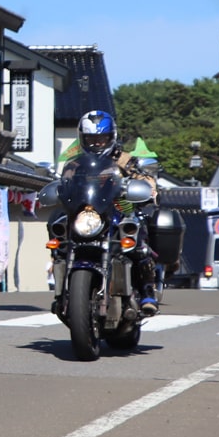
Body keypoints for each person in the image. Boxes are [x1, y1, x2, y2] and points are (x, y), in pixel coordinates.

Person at [69, 109, 161, 316]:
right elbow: (65, 181)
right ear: (83, 138)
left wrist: (148, 188)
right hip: (89, 213)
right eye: (91, 139)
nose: (97, 143)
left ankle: (147, 292)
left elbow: (145, 177)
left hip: (119, 209)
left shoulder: (124, 159)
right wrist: (58, 188)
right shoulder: (76, 163)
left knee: (137, 239)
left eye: (101, 138)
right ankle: (63, 288)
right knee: (58, 226)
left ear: (111, 137)